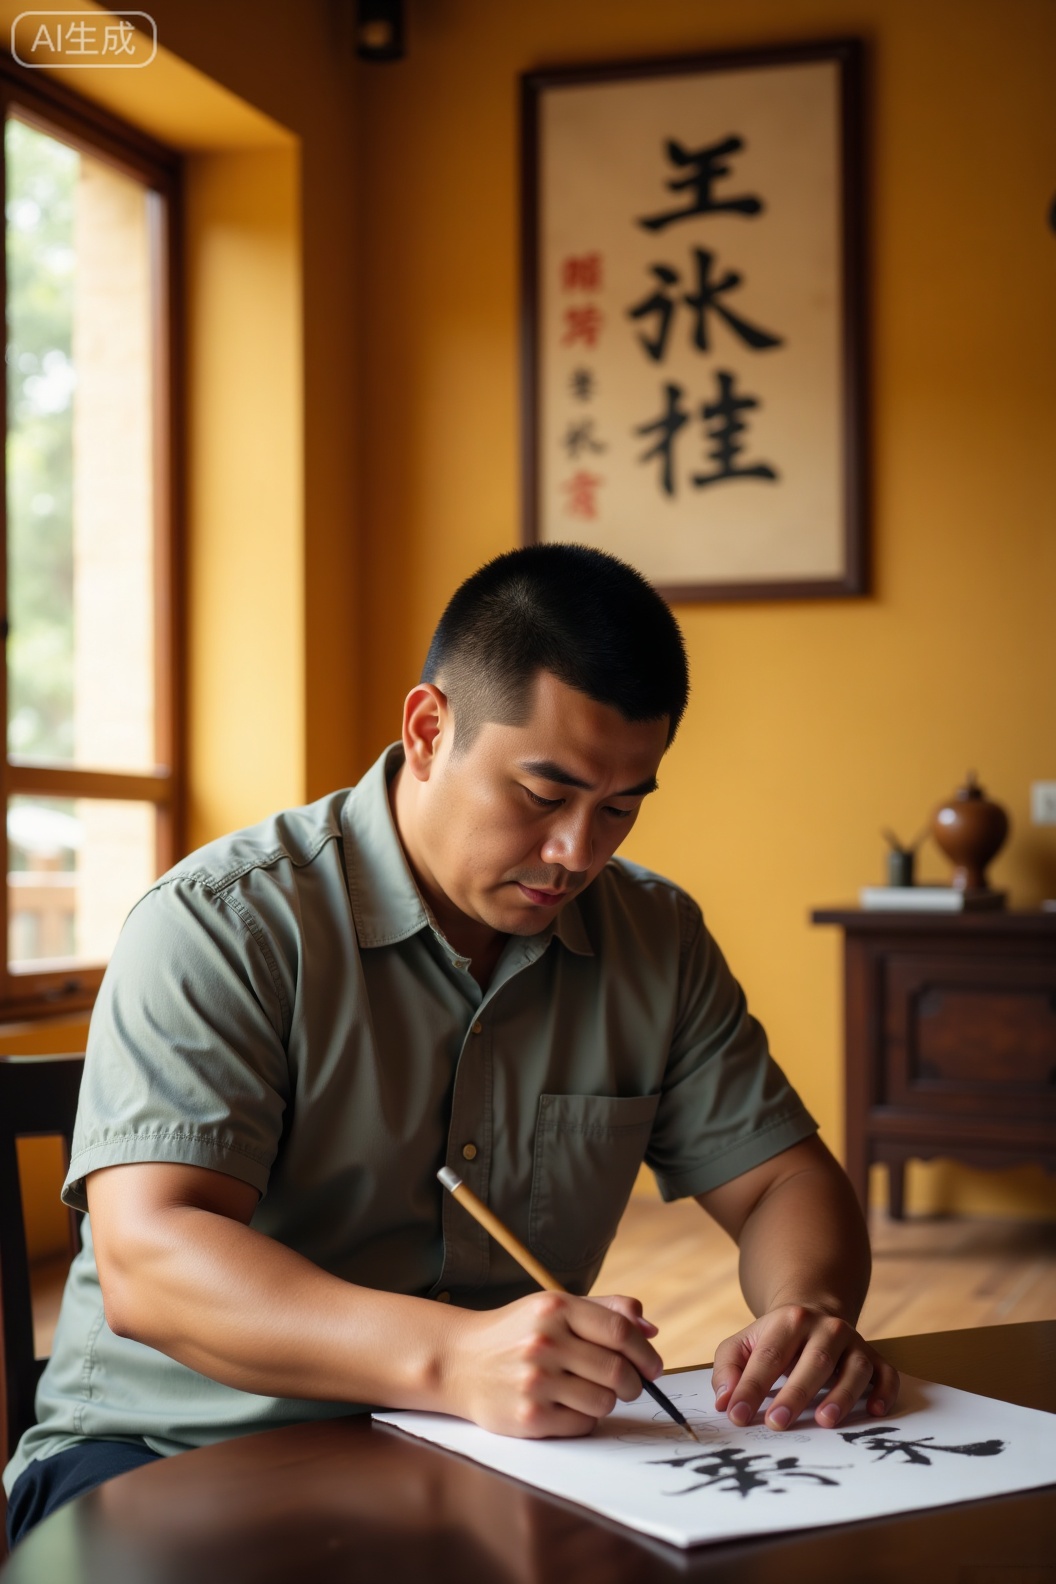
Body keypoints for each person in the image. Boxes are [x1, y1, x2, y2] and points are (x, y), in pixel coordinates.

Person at [3, 544, 897, 1546]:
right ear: (429, 729)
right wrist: (451, 1359)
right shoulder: (225, 923)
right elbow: (150, 1259)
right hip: (163, 1461)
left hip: (473, 1458)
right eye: (542, 794)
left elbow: (782, 1182)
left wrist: (807, 1309)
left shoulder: (655, 939)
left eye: (620, 807)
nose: (578, 853)